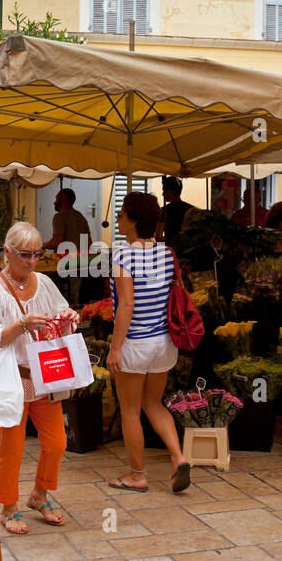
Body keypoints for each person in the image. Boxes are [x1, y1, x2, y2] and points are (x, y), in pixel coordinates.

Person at [0, 222, 80, 534]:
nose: (32, 261)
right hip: (11, 378)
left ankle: (40, 494)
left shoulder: (44, 283)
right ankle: (8, 506)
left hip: (44, 375)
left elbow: (59, 314)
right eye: (25, 255)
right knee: (12, 448)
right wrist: (21, 324)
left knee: (57, 442)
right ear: (7, 253)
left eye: (38, 254)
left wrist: (70, 316)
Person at [107, 192, 190, 494]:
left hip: (135, 344)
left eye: (121, 214)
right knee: (153, 403)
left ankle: (136, 475)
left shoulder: (122, 256)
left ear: (132, 220)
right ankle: (178, 457)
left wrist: (115, 348)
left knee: (130, 411)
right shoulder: (167, 253)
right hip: (164, 344)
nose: (117, 219)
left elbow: (126, 306)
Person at [43, 188, 91, 252]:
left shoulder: (59, 216)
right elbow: (89, 244)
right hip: (80, 260)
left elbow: (56, 242)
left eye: (56, 199)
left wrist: (42, 245)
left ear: (63, 198)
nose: (54, 202)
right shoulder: (81, 218)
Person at [157, 176, 196, 252]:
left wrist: (170, 238)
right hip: (188, 252)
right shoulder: (191, 209)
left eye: (163, 191)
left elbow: (158, 237)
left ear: (169, 191)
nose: (162, 194)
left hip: (171, 252)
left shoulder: (164, 210)